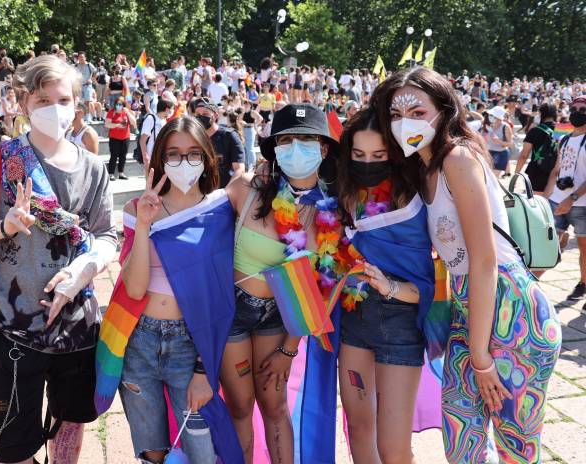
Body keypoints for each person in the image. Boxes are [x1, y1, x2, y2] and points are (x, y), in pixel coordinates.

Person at [376, 67, 561, 463]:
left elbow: (484, 259)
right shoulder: (421, 170)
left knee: (516, 449)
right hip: (466, 312)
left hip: (513, 313)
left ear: (444, 111)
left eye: (417, 112)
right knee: (463, 444)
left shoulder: (458, 158)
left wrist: (480, 356)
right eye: (395, 114)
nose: (405, 122)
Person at [0, 54, 117, 464]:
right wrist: (2, 226)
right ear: (23, 105)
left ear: (78, 104)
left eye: (62, 99)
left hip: (77, 322)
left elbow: (108, 236)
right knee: (14, 442)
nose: (53, 109)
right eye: (42, 101)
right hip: (13, 327)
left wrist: (82, 270)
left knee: (70, 421)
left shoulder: (94, 168)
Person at [109, 115, 242, 464]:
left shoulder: (220, 209)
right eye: (174, 153)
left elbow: (218, 299)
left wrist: (203, 370)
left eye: (193, 153)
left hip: (191, 344)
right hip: (140, 342)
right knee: (151, 450)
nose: (184, 162)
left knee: (201, 450)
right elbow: (135, 290)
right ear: (160, 158)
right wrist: (143, 225)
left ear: (207, 158)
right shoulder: (138, 209)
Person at [219, 103, 338, 463]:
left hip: (280, 319)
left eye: (306, 138)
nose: (296, 146)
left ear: (324, 148)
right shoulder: (246, 188)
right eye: (286, 139)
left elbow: (320, 290)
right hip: (234, 312)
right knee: (239, 406)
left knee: (274, 405)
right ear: (274, 149)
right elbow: (201, 234)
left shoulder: (332, 212)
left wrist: (289, 349)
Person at [336, 107, 435, 464]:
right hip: (354, 318)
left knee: (393, 449)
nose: (368, 164)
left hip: (400, 322)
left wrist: (388, 287)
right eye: (359, 155)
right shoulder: (345, 192)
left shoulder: (415, 191)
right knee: (359, 429)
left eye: (378, 156)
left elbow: (432, 278)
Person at [547, 96, 586, 300]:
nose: (577, 112)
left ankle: (583, 284)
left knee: (584, 251)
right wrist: (546, 196)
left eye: (583, 109)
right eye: (574, 108)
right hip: (557, 199)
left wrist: (571, 198)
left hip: (581, 204)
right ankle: (530, 286)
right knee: (549, 246)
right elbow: (557, 169)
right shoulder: (564, 138)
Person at [194, 99, 245, 187]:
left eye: (205, 114)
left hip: (224, 193)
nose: (201, 117)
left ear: (215, 115)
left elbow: (239, 169)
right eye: (198, 114)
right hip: (200, 193)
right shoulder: (193, 137)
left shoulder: (229, 136)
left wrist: (225, 193)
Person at [515, 103, 559, 195]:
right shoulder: (563, 129)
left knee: (538, 204)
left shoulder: (534, 131)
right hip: (557, 172)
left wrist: (516, 174)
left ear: (541, 114)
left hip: (537, 171)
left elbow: (524, 155)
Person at [104, 96, 136, 176]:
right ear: (115, 105)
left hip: (125, 137)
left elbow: (133, 123)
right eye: (117, 104)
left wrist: (128, 112)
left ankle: (121, 172)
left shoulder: (126, 112)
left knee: (123, 155)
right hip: (114, 137)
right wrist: (117, 125)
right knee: (114, 155)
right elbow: (107, 124)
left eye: (121, 104)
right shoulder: (111, 112)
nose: (119, 106)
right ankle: (111, 173)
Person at [139, 99, 173, 168]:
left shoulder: (163, 121)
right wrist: (145, 156)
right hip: (151, 157)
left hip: (161, 156)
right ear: (167, 109)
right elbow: (142, 140)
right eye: (172, 109)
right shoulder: (151, 119)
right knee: (151, 177)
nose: (172, 111)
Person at [484, 105, 514, 178]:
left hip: (500, 154)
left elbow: (510, 144)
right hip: (488, 153)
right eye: (490, 115)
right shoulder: (489, 125)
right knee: (487, 178)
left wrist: (499, 141)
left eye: (492, 115)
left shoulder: (505, 127)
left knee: (493, 177)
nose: (489, 116)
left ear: (498, 117)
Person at [239, 100, 263, 171]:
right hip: (243, 130)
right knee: (244, 148)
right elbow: (238, 120)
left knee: (250, 148)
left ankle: (252, 166)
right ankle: (246, 165)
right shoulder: (243, 112)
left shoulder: (252, 112)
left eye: (247, 104)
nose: (246, 105)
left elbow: (260, 118)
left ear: (250, 105)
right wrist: (242, 122)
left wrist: (254, 125)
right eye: (245, 104)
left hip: (250, 130)